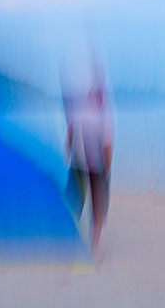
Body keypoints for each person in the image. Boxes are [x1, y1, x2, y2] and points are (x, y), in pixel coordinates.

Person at [61, 52, 114, 252]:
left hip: (78, 164)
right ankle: (94, 246)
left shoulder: (79, 109)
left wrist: (69, 157)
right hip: (96, 166)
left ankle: (72, 241)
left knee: (75, 202)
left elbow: (70, 135)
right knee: (98, 208)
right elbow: (107, 143)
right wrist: (107, 165)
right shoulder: (102, 111)